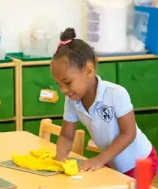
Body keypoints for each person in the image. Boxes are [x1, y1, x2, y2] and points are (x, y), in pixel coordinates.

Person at [50, 28, 158, 180]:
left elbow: (129, 134)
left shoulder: (115, 94)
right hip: (112, 162)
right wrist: (60, 160)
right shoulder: (71, 100)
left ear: (89, 70)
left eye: (67, 82)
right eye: (58, 84)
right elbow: (67, 136)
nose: (62, 90)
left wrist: (100, 159)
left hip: (141, 161)